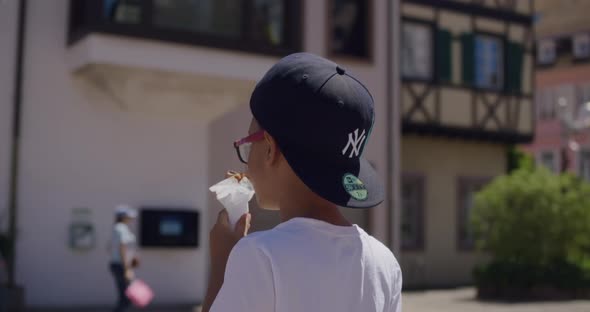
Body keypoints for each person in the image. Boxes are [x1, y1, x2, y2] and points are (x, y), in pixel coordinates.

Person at [203, 53, 402, 312]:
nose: (245, 159)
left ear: (270, 149)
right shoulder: (384, 263)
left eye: (248, 144)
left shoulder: (259, 256)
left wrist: (222, 263)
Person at [109, 205, 139, 312]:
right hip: (121, 265)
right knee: (126, 298)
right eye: (128, 216)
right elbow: (122, 248)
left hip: (119, 264)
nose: (131, 218)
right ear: (123, 217)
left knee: (125, 296)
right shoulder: (121, 228)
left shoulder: (118, 228)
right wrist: (127, 268)